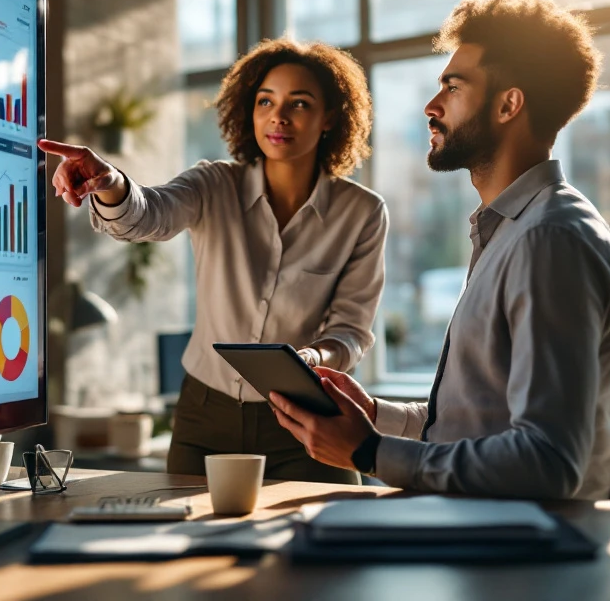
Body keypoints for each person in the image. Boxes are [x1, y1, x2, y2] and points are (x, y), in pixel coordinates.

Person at [270, 0, 610, 500]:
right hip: (486, 537)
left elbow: (548, 461)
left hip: (522, 558)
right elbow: (476, 423)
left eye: (453, 86)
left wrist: (369, 453)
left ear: (509, 104)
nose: (431, 105)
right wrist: (376, 418)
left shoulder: (549, 240)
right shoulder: (510, 229)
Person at [39, 37, 388, 483]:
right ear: (251, 110)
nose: (278, 116)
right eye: (266, 101)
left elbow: (351, 330)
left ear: (330, 118)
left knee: (323, 540)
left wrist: (313, 357)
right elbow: (149, 213)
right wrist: (110, 183)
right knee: (182, 542)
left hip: (306, 423)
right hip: (204, 419)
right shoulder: (213, 184)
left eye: (299, 104)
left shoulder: (362, 212)